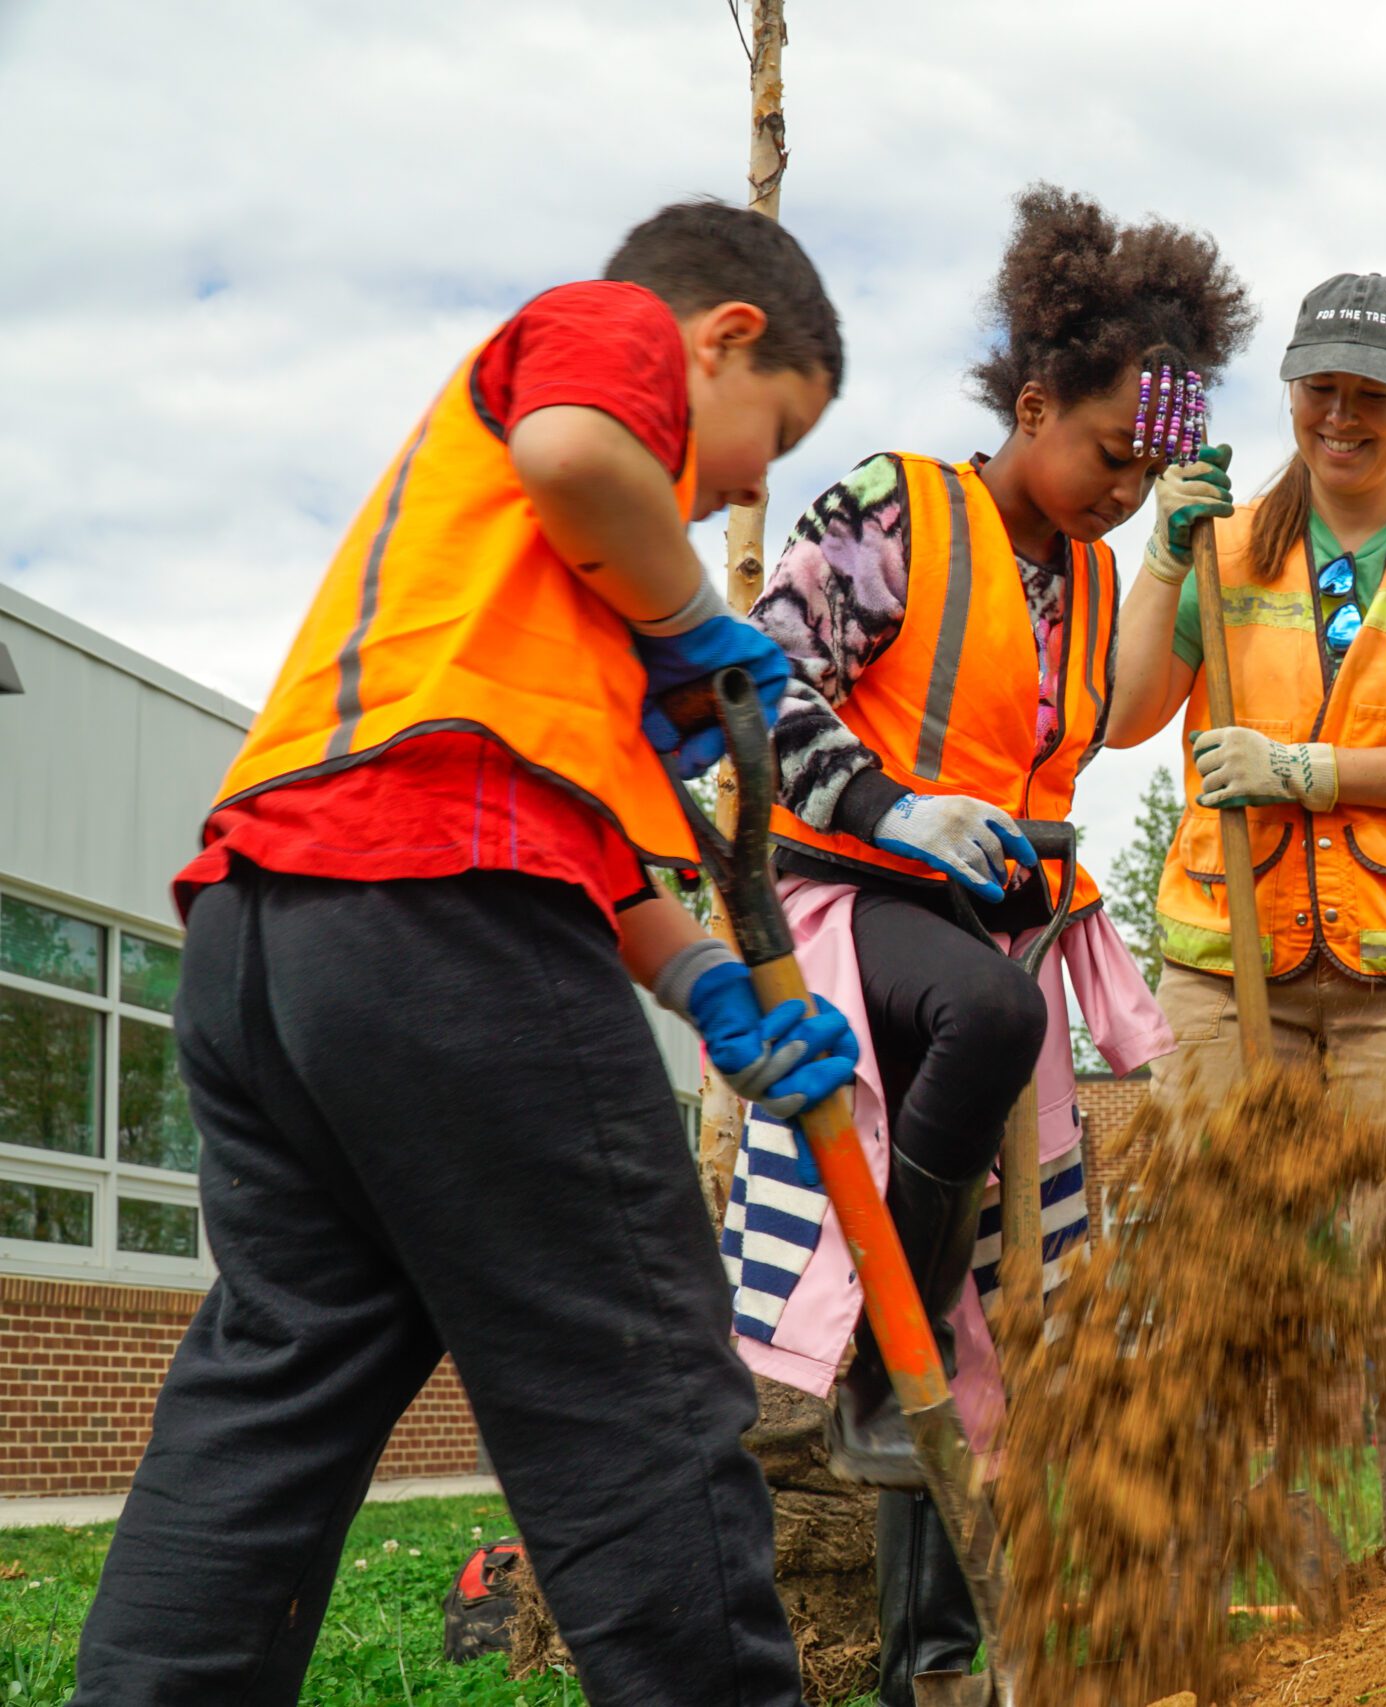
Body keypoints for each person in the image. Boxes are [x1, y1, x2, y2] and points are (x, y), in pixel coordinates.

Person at [77, 203, 858, 1707]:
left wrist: (707, 984)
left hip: (269, 938)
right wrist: (691, 618)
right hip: (440, 915)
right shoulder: (606, 329)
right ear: (724, 335)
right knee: (633, 1382)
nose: (742, 488)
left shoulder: (518, 597)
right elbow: (575, 450)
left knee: (277, 1391)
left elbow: (557, 832)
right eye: (768, 436)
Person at [740, 183, 1248, 1707]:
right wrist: (891, 806)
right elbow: (759, 676)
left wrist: (1172, 554)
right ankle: (871, 1339)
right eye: (1110, 453)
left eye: (1148, 466)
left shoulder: (1090, 571)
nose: (1122, 487)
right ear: (1032, 406)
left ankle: (938, 1659)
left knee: (1000, 1309)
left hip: (993, 922)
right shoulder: (895, 507)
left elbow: (1114, 716)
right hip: (853, 896)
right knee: (992, 1020)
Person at [1106, 270, 1386, 1561]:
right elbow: (1123, 714)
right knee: (1225, 1278)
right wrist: (1160, 555)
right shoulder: (1222, 546)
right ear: (1287, 390)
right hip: (1232, 961)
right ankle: (1254, 1585)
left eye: (1371, 393)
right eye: (1319, 389)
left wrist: (1309, 770)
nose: (1342, 414)